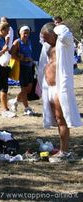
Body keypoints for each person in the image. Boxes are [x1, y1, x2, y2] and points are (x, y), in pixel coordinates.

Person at [39, 22, 82, 162]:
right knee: (57, 120)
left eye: (46, 36)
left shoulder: (65, 44)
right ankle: (63, 148)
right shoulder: (49, 46)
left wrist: (57, 26)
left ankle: (64, 151)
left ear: (54, 34)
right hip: (49, 87)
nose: (43, 39)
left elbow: (65, 33)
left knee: (61, 118)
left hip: (59, 87)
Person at [9, 26, 36, 116]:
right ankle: (26, 108)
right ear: (20, 33)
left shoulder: (29, 42)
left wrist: (30, 60)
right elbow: (11, 54)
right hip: (21, 68)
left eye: (27, 33)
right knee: (24, 89)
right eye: (24, 32)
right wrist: (21, 59)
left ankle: (15, 101)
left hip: (29, 67)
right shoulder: (17, 42)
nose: (26, 34)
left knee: (29, 88)